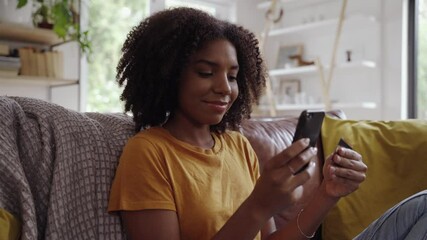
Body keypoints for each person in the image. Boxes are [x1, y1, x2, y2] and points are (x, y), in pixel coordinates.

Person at [107, 7, 426, 240]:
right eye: (206, 72)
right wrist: (259, 205)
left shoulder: (236, 145)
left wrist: (328, 194)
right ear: (167, 75)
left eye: (232, 76)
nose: (224, 87)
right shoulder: (148, 153)